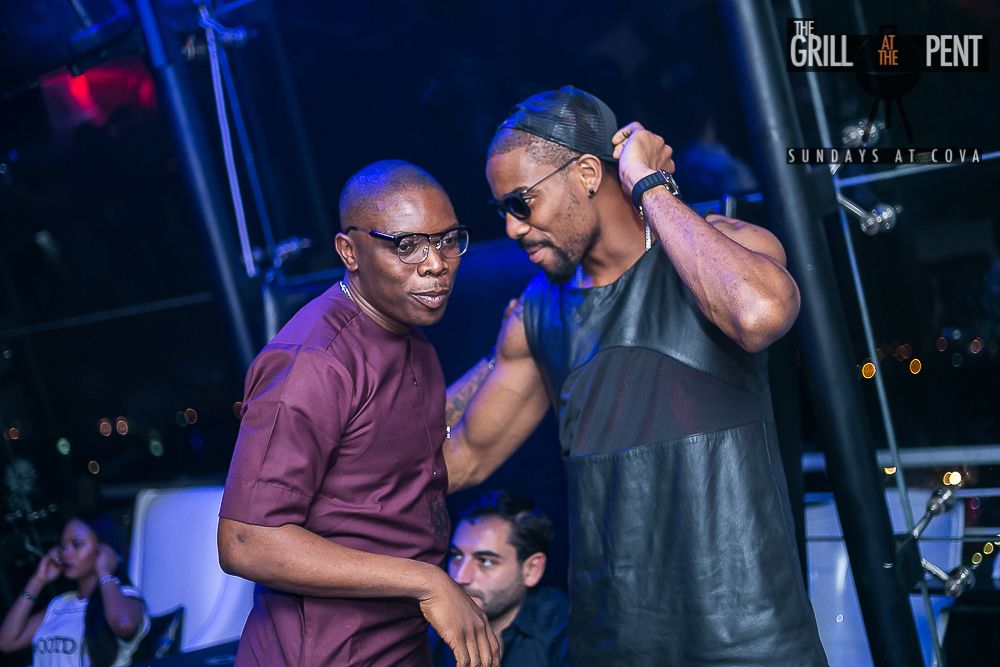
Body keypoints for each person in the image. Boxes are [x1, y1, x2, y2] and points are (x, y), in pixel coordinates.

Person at [442, 87, 828, 664]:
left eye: (522, 203)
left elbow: (760, 314)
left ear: (587, 174)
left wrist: (648, 183)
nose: (514, 229)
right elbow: (462, 456)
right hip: (614, 647)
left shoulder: (725, 248)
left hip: (748, 638)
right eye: (504, 211)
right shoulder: (538, 312)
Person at [216, 160, 500, 667]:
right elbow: (245, 539)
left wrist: (504, 358)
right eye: (407, 245)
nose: (436, 264)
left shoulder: (413, 341)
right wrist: (428, 582)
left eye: (447, 240)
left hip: (397, 643)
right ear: (349, 252)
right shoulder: (313, 362)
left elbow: (400, 468)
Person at [431, 491, 567, 666]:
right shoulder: (428, 626)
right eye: (457, 556)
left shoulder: (567, 632)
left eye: (486, 561)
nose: (459, 577)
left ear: (531, 569)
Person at [0, 515, 150, 667]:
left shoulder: (127, 597)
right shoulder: (60, 604)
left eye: (77, 544)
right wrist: (38, 580)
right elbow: (7, 642)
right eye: (62, 546)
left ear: (104, 550)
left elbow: (124, 624)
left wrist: (104, 572)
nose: (66, 553)